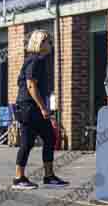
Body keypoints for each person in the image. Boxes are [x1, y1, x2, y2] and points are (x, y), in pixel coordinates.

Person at [11, 29, 69, 190]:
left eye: (49, 40)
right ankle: (18, 178)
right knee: (27, 142)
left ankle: (49, 176)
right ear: (39, 43)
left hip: (35, 107)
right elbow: (31, 85)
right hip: (29, 107)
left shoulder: (41, 60)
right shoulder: (34, 60)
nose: (50, 44)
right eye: (46, 41)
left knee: (50, 138)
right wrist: (43, 108)